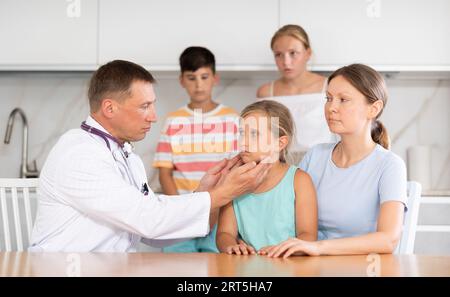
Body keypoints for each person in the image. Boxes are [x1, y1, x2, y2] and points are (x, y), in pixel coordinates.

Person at [29, 60, 271, 252]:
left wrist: (206, 194)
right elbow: (147, 220)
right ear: (109, 108)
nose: (154, 116)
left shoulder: (127, 156)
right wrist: (223, 193)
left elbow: (151, 231)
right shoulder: (79, 154)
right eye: (144, 106)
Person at [261, 64, 407, 258]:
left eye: (343, 100)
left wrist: (318, 247)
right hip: (309, 265)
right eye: (328, 98)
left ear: (374, 108)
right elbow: (284, 213)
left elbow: (388, 239)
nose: (331, 108)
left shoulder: (389, 165)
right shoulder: (315, 156)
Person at [153, 46, 240, 253]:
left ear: (215, 78)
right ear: (182, 80)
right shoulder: (174, 121)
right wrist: (180, 211)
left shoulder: (232, 119)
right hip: (181, 220)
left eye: (204, 77)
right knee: (177, 268)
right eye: (191, 78)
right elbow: (165, 173)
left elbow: (235, 169)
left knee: (219, 270)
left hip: (219, 217)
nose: (199, 85)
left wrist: (219, 209)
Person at [216, 100, 317, 255]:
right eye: (242, 133)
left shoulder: (299, 181)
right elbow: (224, 234)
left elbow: (308, 236)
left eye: (254, 134)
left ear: (280, 143)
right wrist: (231, 246)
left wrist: (283, 250)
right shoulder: (233, 181)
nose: (244, 142)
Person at [256, 24, 335, 159]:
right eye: (278, 55)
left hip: (322, 164)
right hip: (278, 167)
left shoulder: (330, 87)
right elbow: (260, 138)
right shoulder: (265, 93)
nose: (286, 62)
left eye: (293, 53)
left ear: (308, 53)